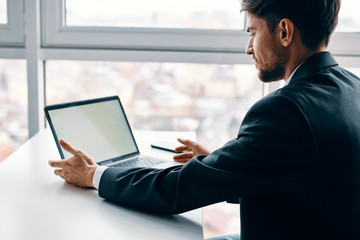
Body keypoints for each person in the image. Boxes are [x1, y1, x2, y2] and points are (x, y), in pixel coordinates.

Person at [49, 0, 360, 239]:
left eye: (253, 32)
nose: (248, 48)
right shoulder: (352, 88)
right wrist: (220, 163)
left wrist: (93, 175)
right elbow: (308, 179)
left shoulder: (286, 111)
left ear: (284, 32)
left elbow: (177, 190)